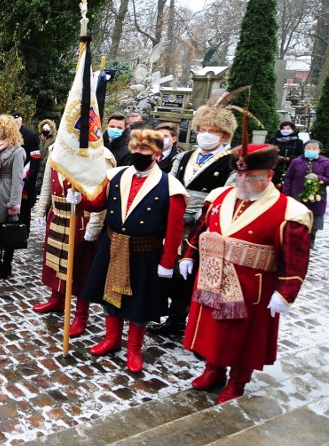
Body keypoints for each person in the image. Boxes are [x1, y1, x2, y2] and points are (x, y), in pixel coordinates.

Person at [181, 144, 312, 404]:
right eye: (240, 175)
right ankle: (213, 370)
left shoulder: (290, 212)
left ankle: (238, 381)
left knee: (244, 336)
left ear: (269, 176)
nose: (244, 181)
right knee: (211, 329)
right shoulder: (219, 196)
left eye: (251, 176)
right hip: (212, 276)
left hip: (253, 285)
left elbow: (296, 259)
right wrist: (188, 254)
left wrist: (286, 294)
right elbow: (201, 227)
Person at [78, 129, 188, 373]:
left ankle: (134, 348)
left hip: (145, 252)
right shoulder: (115, 176)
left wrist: (168, 262)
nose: (138, 153)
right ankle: (111, 339)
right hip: (113, 244)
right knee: (110, 296)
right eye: (135, 149)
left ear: (157, 153)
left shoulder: (171, 186)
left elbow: (174, 231)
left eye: (145, 150)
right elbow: (97, 203)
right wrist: (80, 197)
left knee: (139, 303)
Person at [151, 105, 237, 338]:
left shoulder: (230, 162)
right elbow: (169, 184)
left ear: (224, 135)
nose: (205, 134)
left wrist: (201, 215)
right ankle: (171, 316)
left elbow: (227, 196)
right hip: (175, 220)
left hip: (203, 225)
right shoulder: (185, 156)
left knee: (195, 274)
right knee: (173, 269)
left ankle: (189, 322)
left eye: (213, 130)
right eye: (202, 129)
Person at [32, 148, 115, 337]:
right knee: (56, 261)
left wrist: (93, 227)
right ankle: (57, 299)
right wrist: (40, 210)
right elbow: (47, 184)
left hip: (82, 219)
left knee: (81, 270)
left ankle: (81, 314)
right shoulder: (58, 148)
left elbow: (102, 193)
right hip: (58, 215)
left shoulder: (102, 156)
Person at [0, 115, 25, 280]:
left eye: (0, 127)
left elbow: (18, 179)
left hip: (6, 191)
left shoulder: (17, 150)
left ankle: (6, 264)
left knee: (8, 229)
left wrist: (14, 203)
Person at [282, 139, 329, 246]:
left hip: (317, 198)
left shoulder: (325, 163)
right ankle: (295, 237)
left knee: (315, 219)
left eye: (314, 149)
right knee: (296, 218)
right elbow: (288, 178)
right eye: (308, 148)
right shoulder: (296, 162)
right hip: (297, 196)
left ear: (320, 150)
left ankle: (311, 238)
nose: (311, 150)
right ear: (304, 149)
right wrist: (286, 194)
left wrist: (318, 177)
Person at [269, 121, 304, 188]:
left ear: (293, 130)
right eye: (283, 128)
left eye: (288, 129)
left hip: (289, 168)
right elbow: (266, 151)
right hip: (273, 168)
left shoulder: (298, 142)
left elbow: (301, 155)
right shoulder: (273, 140)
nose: (285, 130)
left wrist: (288, 158)